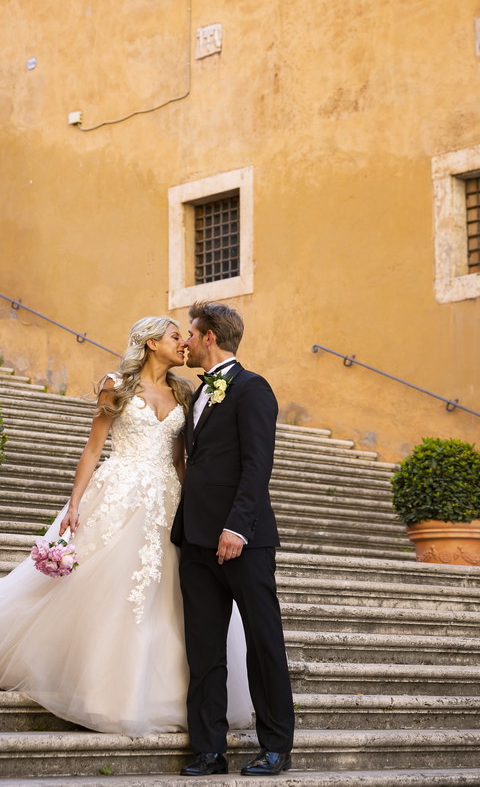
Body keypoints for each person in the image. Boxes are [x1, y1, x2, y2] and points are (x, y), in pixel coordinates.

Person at [0, 316, 254, 735]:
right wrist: (74, 505)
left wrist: (196, 508)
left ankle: (166, 696)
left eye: (186, 336)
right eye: (175, 336)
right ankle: (100, 691)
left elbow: (181, 461)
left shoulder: (185, 392)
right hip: (119, 494)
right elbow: (93, 451)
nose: (185, 342)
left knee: (167, 594)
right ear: (150, 343)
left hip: (168, 501)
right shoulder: (117, 385)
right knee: (108, 585)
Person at [171, 301, 294, 777]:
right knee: (203, 647)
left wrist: (237, 526)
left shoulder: (252, 388)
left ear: (209, 338)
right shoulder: (195, 395)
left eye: (190, 332)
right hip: (196, 540)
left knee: (264, 642)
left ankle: (276, 747)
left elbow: (257, 465)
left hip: (244, 539)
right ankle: (208, 749)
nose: (184, 340)